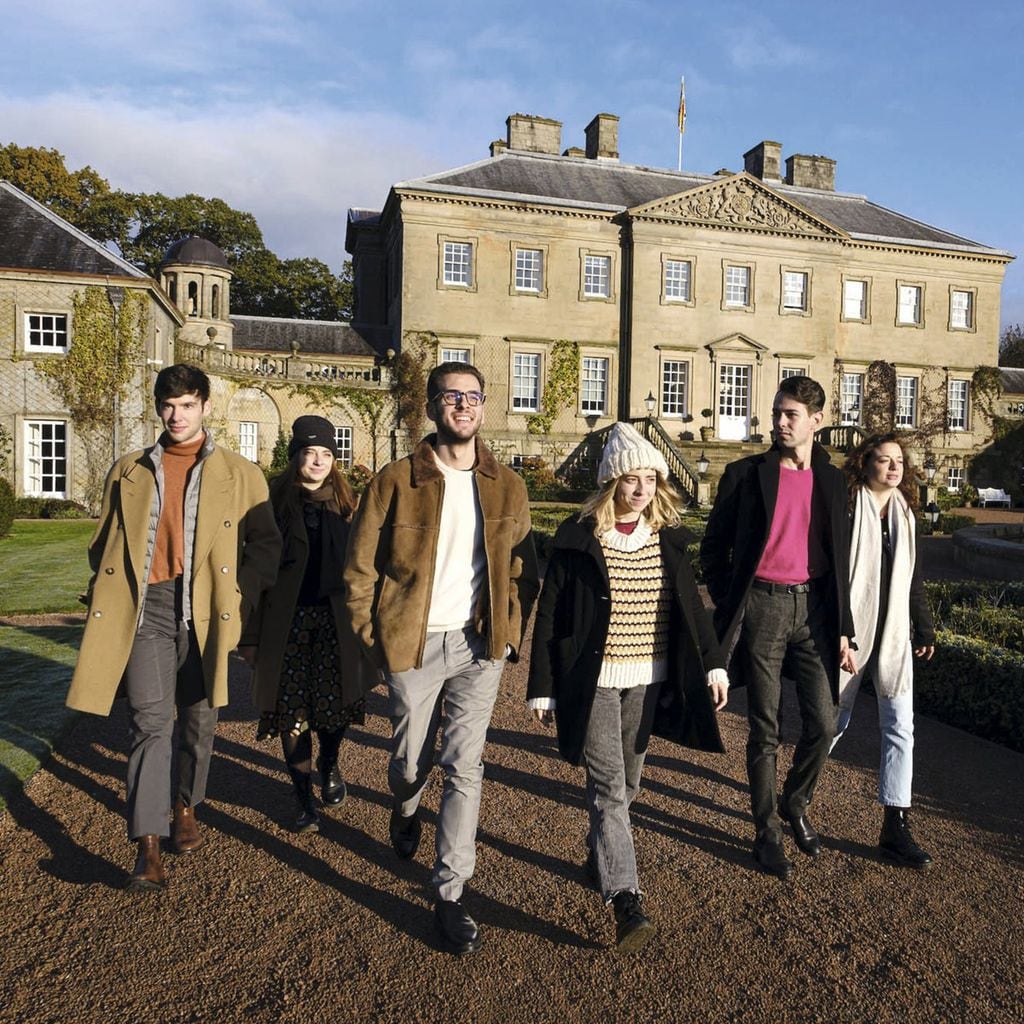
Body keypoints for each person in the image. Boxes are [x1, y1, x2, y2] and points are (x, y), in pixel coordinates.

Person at [344, 360, 539, 956]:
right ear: (431, 407)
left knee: (465, 765)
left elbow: (521, 566)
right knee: (408, 760)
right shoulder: (395, 480)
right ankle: (404, 809)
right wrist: (373, 638)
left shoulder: (507, 483)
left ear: (484, 406)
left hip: (480, 644)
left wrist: (508, 630)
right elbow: (359, 571)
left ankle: (450, 892)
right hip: (413, 640)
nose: (463, 405)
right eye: (451, 396)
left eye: (473, 396)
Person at [66, 364, 280, 890]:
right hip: (149, 610)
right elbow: (103, 544)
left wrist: (238, 592)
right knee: (149, 723)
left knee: (199, 721)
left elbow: (267, 546)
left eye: (186, 404)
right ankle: (148, 844)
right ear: (158, 407)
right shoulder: (129, 469)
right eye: (167, 405)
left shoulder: (241, 473)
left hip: (207, 607)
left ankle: (186, 804)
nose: (176, 415)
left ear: (206, 405)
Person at [528, 423, 728, 953]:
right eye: (630, 478)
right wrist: (542, 687)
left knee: (630, 784)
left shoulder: (668, 541)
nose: (640, 489)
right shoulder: (579, 538)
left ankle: (600, 854)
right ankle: (626, 898)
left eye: (648, 479)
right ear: (611, 483)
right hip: (593, 681)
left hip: (648, 678)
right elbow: (549, 616)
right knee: (610, 788)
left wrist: (714, 665)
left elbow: (692, 610)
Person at [700, 375, 856, 880]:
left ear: (817, 420)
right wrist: (733, 601)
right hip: (763, 606)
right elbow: (713, 548)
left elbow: (840, 560)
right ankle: (766, 831)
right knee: (765, 726)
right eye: (777, 412)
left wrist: (844, 629)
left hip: (814, 612)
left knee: (824, 722)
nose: (780, 422)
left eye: (791, 415)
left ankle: (796, 800)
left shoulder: (833, 481)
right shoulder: (746, 474)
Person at [239, 416, 370, 834]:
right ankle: (302, 798)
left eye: (326, 454)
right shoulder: (271, 503)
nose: (318, 461)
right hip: (287, 623)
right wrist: (250, 634)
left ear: (335, 460)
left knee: (333, 711)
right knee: (291, 713)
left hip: (336, 623)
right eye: (310, 453)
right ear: (296, 455)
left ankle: (329, 764)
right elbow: (253, 572)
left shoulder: (349, 504)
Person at [832, 434, 935, 869]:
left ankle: (896, 826)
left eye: (898, 461)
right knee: (832, 721)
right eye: (883, 459)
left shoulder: (906, 515)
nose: (894, 467)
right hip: (850, 630)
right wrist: (837, 629)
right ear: (865, 463)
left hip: (893, 634)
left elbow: (912, 577)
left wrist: (924, 624)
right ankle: (794, 803)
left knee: (900, 727)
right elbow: (830, 572)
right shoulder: (847, 506)